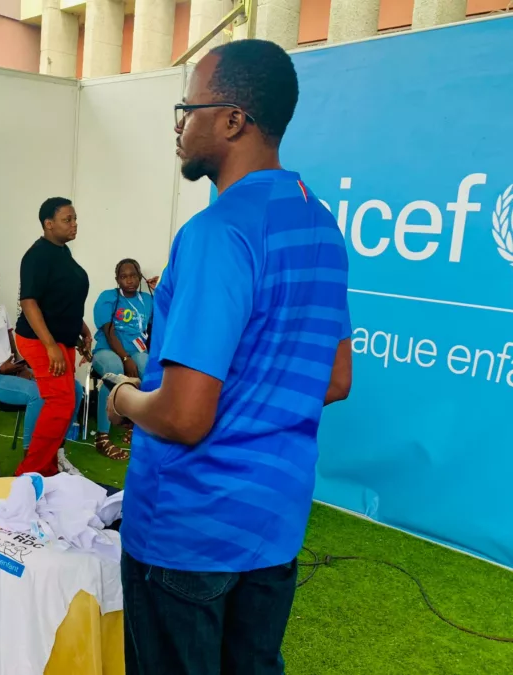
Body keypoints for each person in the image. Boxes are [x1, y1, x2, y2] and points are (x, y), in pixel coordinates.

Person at [106, 40, 352, 675]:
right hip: (274, 523)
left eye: (187, 107)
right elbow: (334, 378)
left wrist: (123, 397)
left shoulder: (216, 233)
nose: (179, 125)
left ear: (233, 119)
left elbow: (187, 416)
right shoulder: (321, 226)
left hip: (189, 529)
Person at [0, 259, 83, 454]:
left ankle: (57, 450)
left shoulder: (0, 310)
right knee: (37, 394)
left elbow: (13, 352)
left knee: (73, 387)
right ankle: (32, 456)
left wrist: (25, 369)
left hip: (11, 374)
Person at [13, 198, 92, 477]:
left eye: (74, 219)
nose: (74, 224)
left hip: (63, 340)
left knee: (67, 401)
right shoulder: (37, 255)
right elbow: (30, 302)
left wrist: (80, 328)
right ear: (48, 224)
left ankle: (48, 467)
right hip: (40, 340)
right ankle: (29, 473)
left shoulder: (62, 252)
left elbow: (60, 298)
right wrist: (50, 346)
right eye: (67, 219)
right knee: (60, 402)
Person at [90, 259, 157, 460]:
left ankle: (137, 426)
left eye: (133, 275)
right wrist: (126, 358)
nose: (129, 280)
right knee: (114, 369)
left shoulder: (148, 300)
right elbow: (109, 333)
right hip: (108, 350)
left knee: (149, 369)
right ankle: (102, 437)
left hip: (137, 351)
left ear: (140, 277)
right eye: (124, 276)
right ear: (117, 279)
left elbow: (157, 326)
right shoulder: (108, 298)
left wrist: (160, 291)